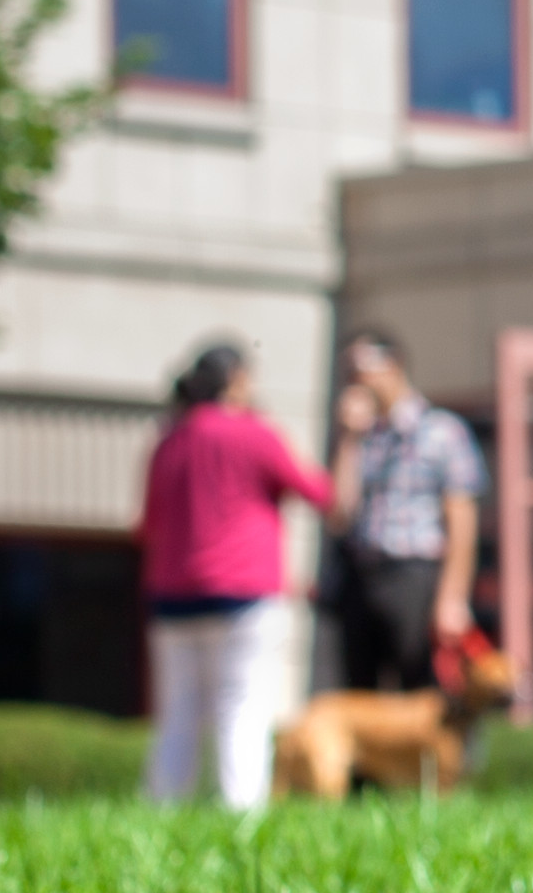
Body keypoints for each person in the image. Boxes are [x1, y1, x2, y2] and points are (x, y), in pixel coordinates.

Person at [138, 338, 333, 809]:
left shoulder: (169, 441)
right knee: (241, 706)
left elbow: (149, 525)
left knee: (178, 714)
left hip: (172, 595)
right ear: (238, 380)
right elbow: (319, 493)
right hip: (244, 591)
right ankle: (241, 812)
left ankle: (161, 808)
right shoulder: (253, 434)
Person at [332, 329, 493, 695]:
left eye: (364, 367)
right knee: (360, 696)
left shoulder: (441, 431)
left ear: (394, 364)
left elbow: (462, 522)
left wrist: (452, 598)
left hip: (414, 577)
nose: (357, 380)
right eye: (349, 372)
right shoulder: (360, 437)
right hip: (362, 575)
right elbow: (339, 514)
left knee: (420, 691)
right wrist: (347, 440)